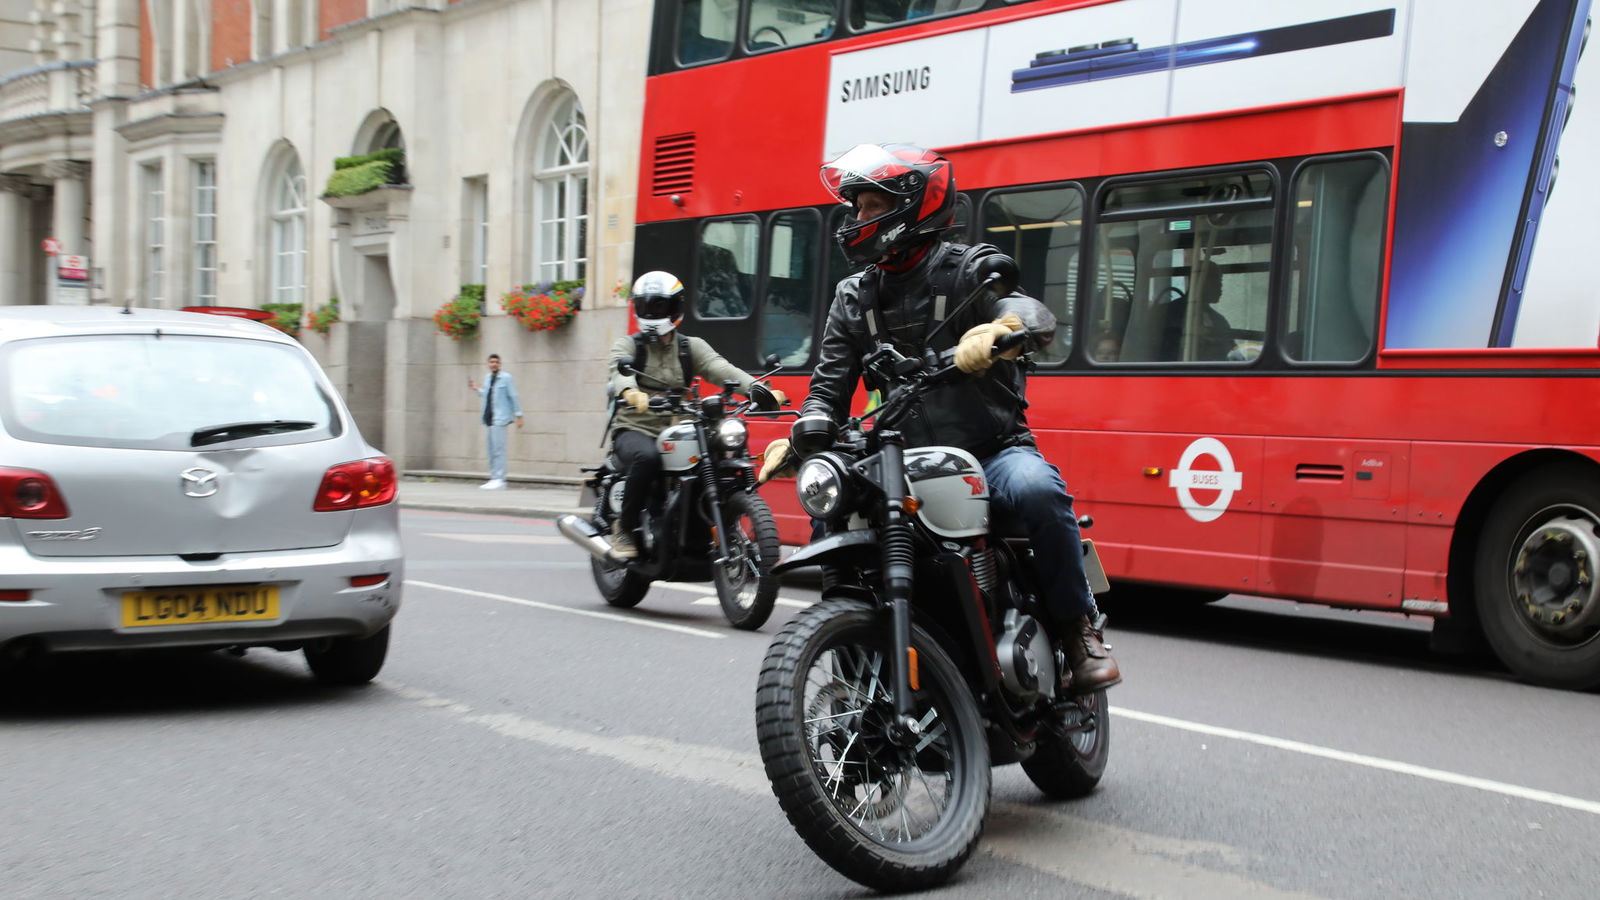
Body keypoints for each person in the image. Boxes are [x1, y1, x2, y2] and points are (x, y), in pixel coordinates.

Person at [759, 143, 1120, 694]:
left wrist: (1000, 331)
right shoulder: (854, 297)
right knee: (830, 513)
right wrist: (806, 432)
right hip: (898, 457)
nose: (858, 219)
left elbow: (1031, 314)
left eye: (870, 206)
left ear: (913, 208)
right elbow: (827, 391)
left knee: (1039, 490)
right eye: (855, 207)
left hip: (992, 450)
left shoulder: (969, 271)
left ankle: (1076, 633)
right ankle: (851, 655)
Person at [605, 270, 787, 559]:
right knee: (648, 458)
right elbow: (618, 371)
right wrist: (630, 392)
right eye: (647, 306)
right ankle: (624, 528)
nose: (653, 312)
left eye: (660, 306)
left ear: (675, 307)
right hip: (635, 427)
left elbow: (722, 369)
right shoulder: (628, 346)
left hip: (680, 425)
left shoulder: (692, 347)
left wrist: (759, 390)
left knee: (718, 455)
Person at [467, 353, 523, 490]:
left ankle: (500, 479)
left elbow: (513, 396)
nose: (494, 364)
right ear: (488, 364)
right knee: (491, 450)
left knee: (499, 450)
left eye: (496, 362)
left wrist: (519, 415)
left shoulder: (506, 378)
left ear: (500, 364)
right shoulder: (487, 378)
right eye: (491, 362)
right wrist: (476, 389)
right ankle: (493, 478)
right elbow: (486, 394)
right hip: (489, 418)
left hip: (500, 419)